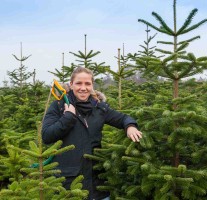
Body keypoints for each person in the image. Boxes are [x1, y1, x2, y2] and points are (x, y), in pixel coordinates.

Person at [42, 67, 142, 200]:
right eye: (79, 83)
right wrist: (68, 117)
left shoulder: (99, 108)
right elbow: (47, 136)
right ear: (71, 84)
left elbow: (123, 118)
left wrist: (130, 126)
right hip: (68, 184)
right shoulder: (59, 106)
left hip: (97, 184)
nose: (83, 88)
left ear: (92, 86)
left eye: (87, 84)